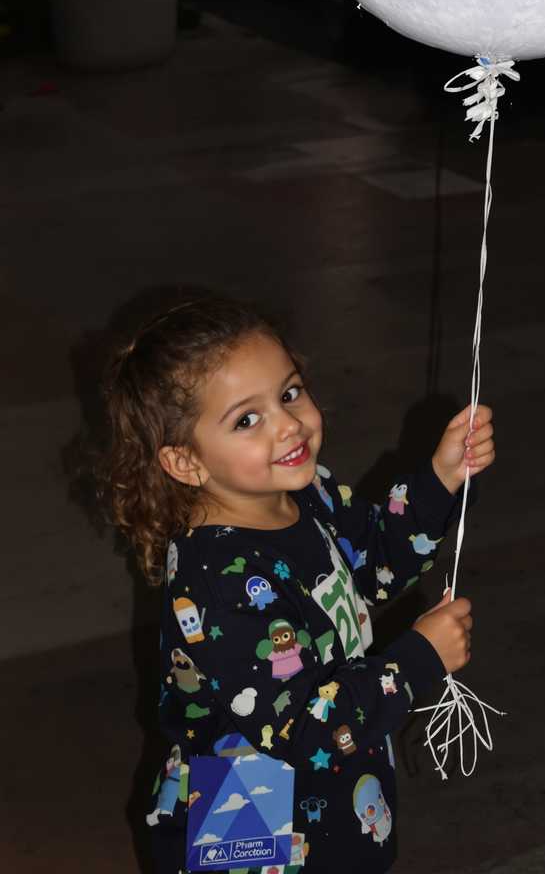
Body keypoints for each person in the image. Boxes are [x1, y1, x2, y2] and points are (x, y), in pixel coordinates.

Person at [101, 291, 495, 874]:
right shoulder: (219, 584)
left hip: (332, 802)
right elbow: (305, 726)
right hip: (250, 827)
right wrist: (418, 658)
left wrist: (440, 477)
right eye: (247, 419)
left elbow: (376, 559)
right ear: (186, 462)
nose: (289, 425)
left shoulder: (307, 494)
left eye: (289, 393)